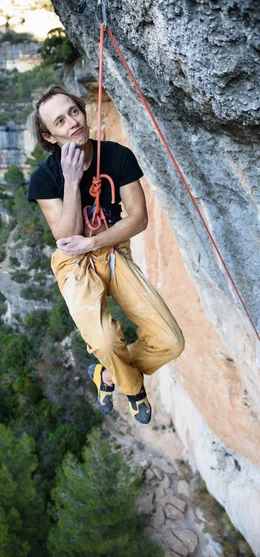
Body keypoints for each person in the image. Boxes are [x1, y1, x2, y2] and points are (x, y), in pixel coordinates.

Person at [28, 85, 185, 424]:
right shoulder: (44, 178)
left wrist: (95, 242)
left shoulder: (117, 157)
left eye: (73, 111)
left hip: (111, 250)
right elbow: (66, 237)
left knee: (170, 342)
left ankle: (107, 376)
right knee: (104, 339)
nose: (72, 122)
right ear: (49, 135)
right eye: (60, 121)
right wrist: (71, 182)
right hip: (74, 263)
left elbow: (139, 218)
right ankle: (132, 388)